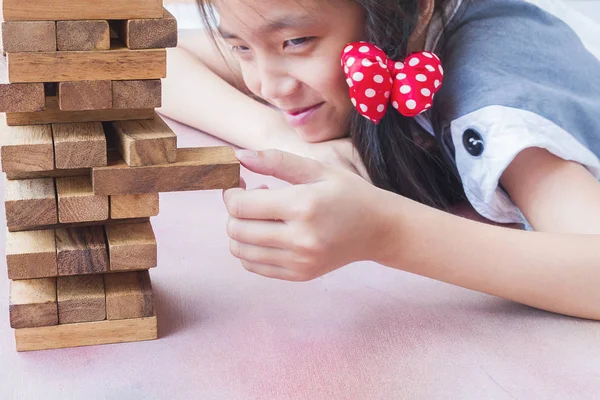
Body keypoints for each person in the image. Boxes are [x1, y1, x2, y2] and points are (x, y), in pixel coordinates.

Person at [160, 0, 600, 320]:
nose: (268, 87)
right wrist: (277, 136)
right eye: (239, 48)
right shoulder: (292, 38)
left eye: (296, 42)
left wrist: (387, 232)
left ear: (414, 11)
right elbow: (145, 56)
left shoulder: (488, 96)